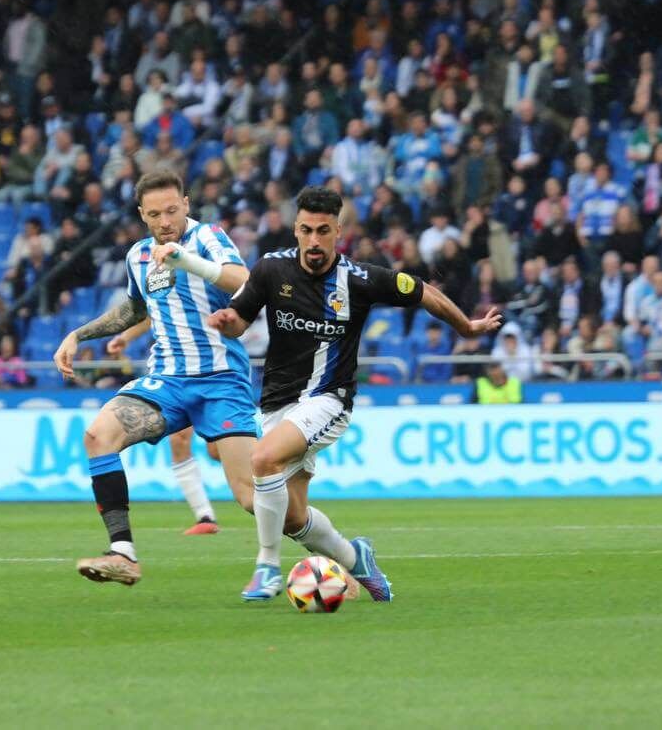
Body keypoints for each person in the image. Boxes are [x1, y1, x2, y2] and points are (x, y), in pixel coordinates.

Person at [208, 186, 502, 602]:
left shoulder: (361, 279)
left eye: (323, 231)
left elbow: (424, 292)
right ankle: (355, 556)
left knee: (263, 458)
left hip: (329, 399)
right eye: (306, 230)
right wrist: (228, 320)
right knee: (289, 517)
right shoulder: (271, 270)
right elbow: (241, 318)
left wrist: (467, 328)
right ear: (295, 229)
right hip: (277, 403)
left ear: (337, 231)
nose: (314, 240)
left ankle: (266, 568)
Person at [52, 171, 259, 587]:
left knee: (252, 497)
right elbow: (132, 310)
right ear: (142, 215)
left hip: (221, 380)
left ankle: (343, 555)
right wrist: (78, 334)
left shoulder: (208, 238)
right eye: (154, 214)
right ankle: (123, 553)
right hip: (167, 382)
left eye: (171, 210)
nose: (165, 221)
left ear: (185, 203)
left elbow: (244, 280)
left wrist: (189, 262)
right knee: (97, 436)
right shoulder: (139, 256)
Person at [106, 321, 221, 535]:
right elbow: (152, 311)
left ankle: (274, 471)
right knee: (178, 440)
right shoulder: (162, 289)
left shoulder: (205, 289)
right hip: (173, 371)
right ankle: (204, 516)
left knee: (217, 451)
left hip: (213, 369)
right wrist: (126, 337)